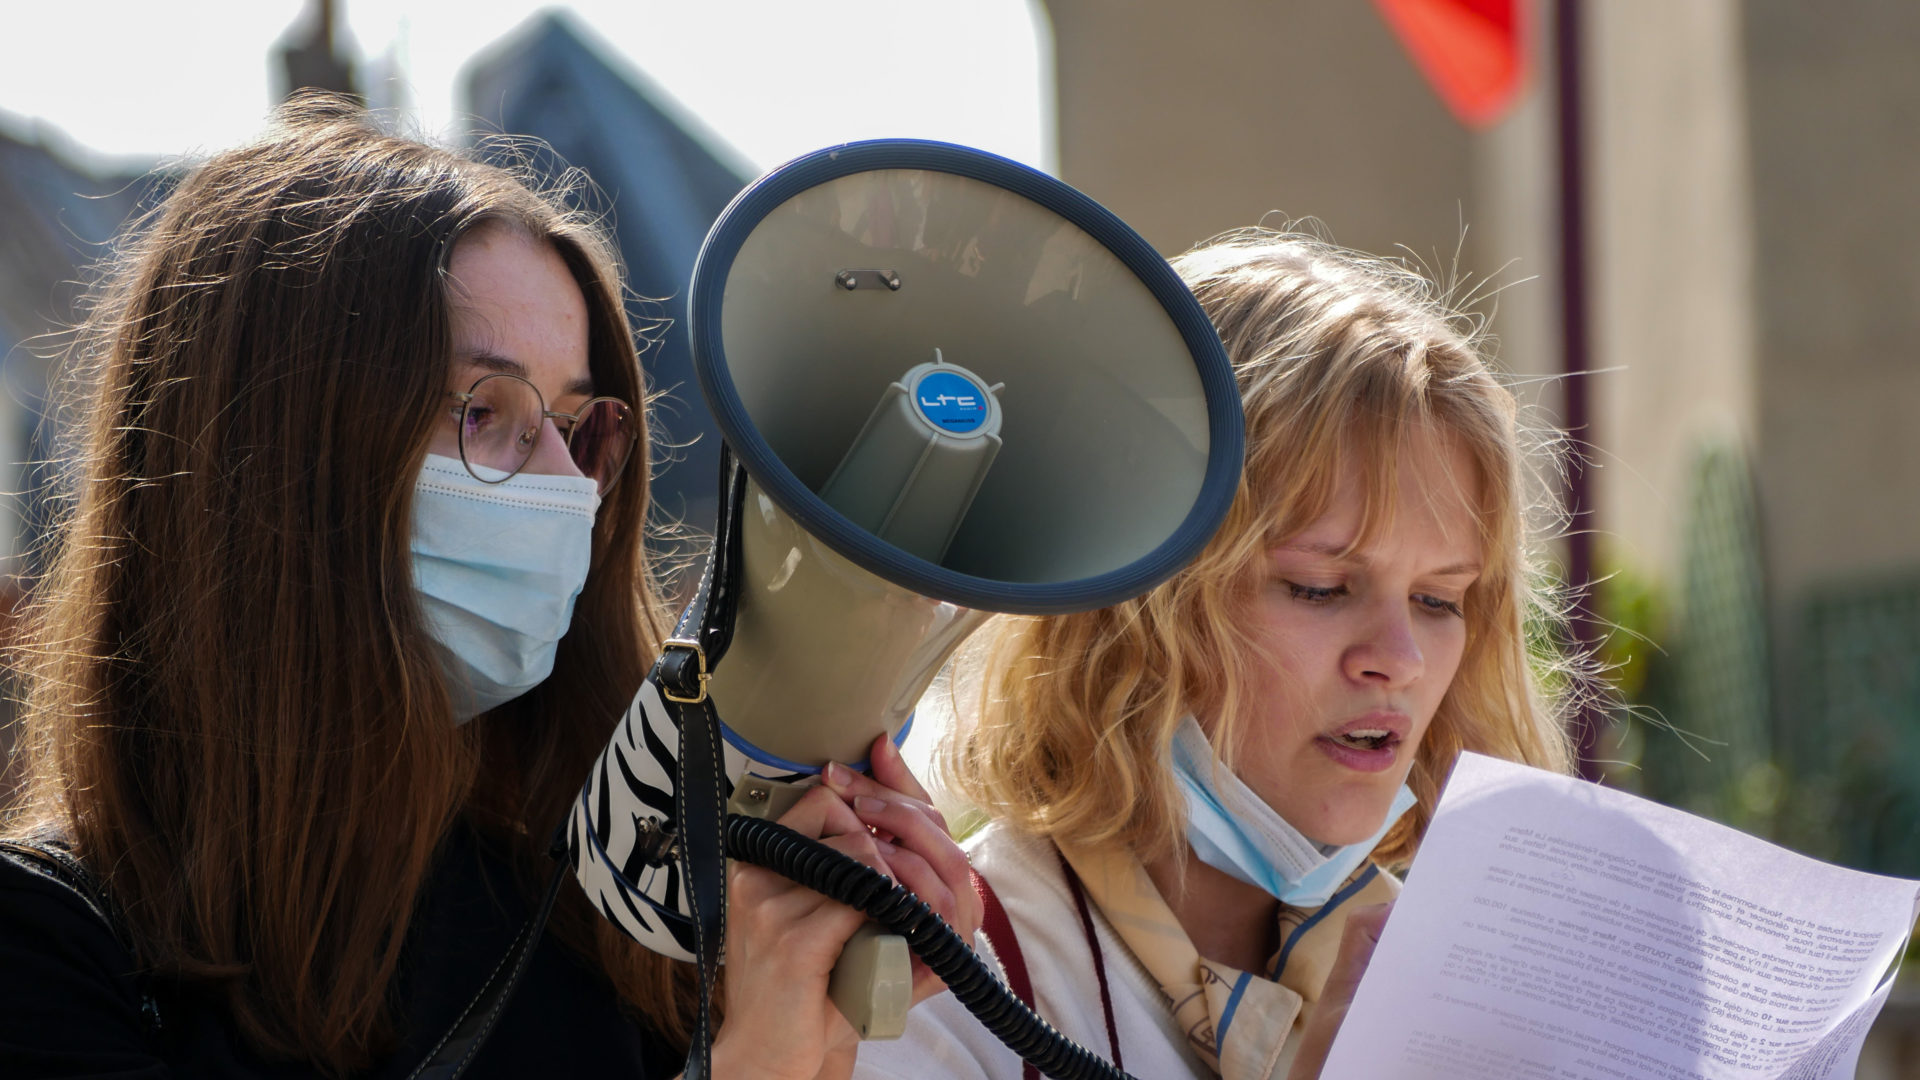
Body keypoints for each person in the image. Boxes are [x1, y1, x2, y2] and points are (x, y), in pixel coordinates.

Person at [0, 96, 974, 1080]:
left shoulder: (597, 923)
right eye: (485, 411)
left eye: (576, 425)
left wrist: (818, 1012)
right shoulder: (46, 947)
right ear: (272, 460)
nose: (566, 484)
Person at [855, 229, 1582, 1080]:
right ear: (1133, 605)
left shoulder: (1471, 993)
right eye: (1319, 587)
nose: (1401, 659)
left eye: (1439, 601)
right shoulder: (929, 994)